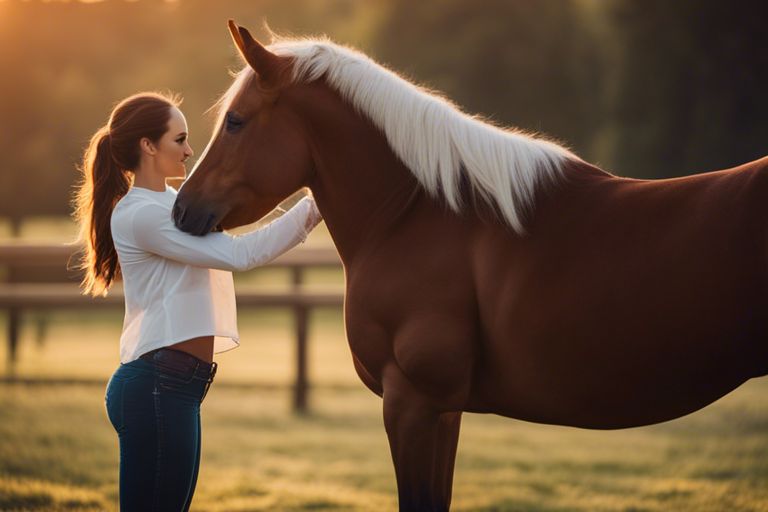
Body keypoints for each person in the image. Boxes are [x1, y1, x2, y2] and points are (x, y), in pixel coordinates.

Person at [72, 91, 321, 511]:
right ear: (148, 146)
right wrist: (317, 203)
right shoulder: (140, 215)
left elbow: (245, 218)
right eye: (180, 139)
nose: (190, 150)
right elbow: (242, 254)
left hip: (178, 384)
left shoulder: (173, 203)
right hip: (156, 384)